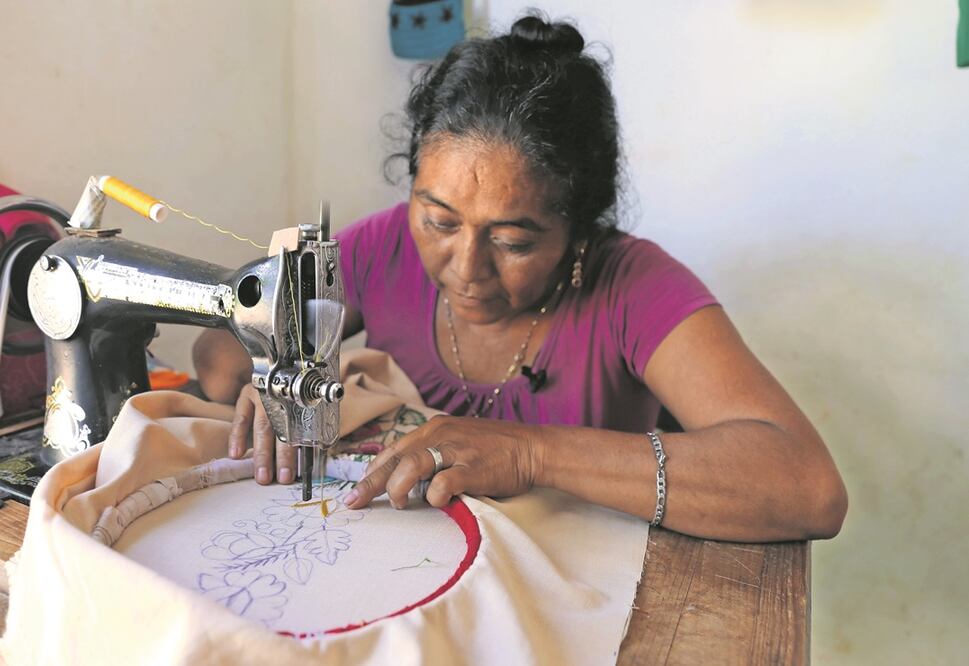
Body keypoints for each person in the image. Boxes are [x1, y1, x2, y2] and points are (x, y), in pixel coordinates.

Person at [194, 14, 847, 543]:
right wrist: (274, 363)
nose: (466, 268)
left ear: (578, 226)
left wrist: (530, 453)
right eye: (440, 220)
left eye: (512, 240)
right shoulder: (383, 246)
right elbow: (218, 360)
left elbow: (807, 488)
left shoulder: (633, 287)